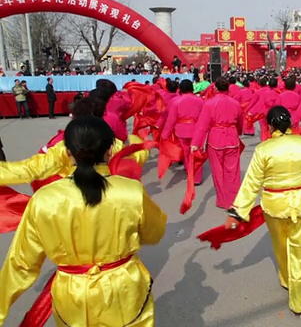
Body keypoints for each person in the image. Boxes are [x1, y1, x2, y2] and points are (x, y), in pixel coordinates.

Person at [0, 116, 167, 326]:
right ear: (109, 150)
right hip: (123, 288)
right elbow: (155, 231)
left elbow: (21, 263)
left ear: (68, 152)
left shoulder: (45, 199)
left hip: (72, 294)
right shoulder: (130, 191)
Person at [225, 106, 301, 315]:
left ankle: (288, 279)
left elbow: (252, 182)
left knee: (281, 245)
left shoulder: (264, 149)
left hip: (274, 205)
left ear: (270, 125)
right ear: (290, 123)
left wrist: (238, 210)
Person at [0, 97, 149, 187]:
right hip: (107, 193)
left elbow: (31, 169)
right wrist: (142, 142)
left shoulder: (64, 143)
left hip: (69, 195)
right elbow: (135, 158)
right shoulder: (113, 143)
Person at [191, 77, 244, 209]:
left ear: (215, 88)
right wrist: (238, 132)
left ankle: (223, 199)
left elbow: (202, 125)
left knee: (218, 170)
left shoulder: (209, 104)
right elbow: (239, 122)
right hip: (232, 137)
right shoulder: (235, 103)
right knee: (232, 170)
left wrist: (195, 143)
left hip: (216, 139)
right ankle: (233, 199)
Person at [161, 80, 205, 185]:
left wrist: (165, 134)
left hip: (182, 130)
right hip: (197, 129)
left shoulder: (176, 102)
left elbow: (171, 120)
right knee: (197, 153)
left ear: (180, 89)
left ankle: (189, 170)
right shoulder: (200, 101)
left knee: (186, 153)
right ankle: (196, 177)